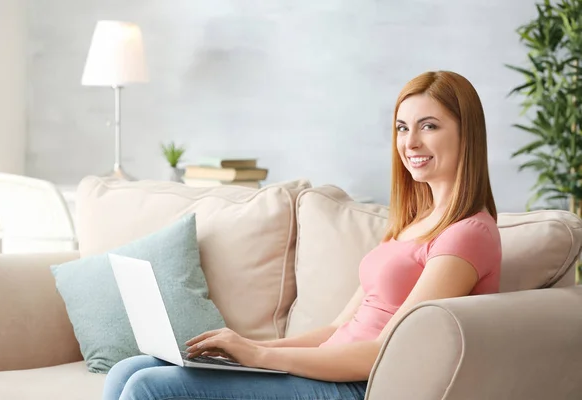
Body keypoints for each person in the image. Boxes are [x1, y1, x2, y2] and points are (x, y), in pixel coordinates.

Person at [102, 70, 502, 400]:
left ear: (467, 134)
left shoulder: (468, 234)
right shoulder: (413, 223)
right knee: (128, 370)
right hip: (329, 369)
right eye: (402, 128)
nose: (410, 142)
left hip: (363, 385)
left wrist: (260, 355)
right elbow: (334, 332)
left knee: (148, 388)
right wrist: (239, 349)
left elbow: (390, 350)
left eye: (428, 126)